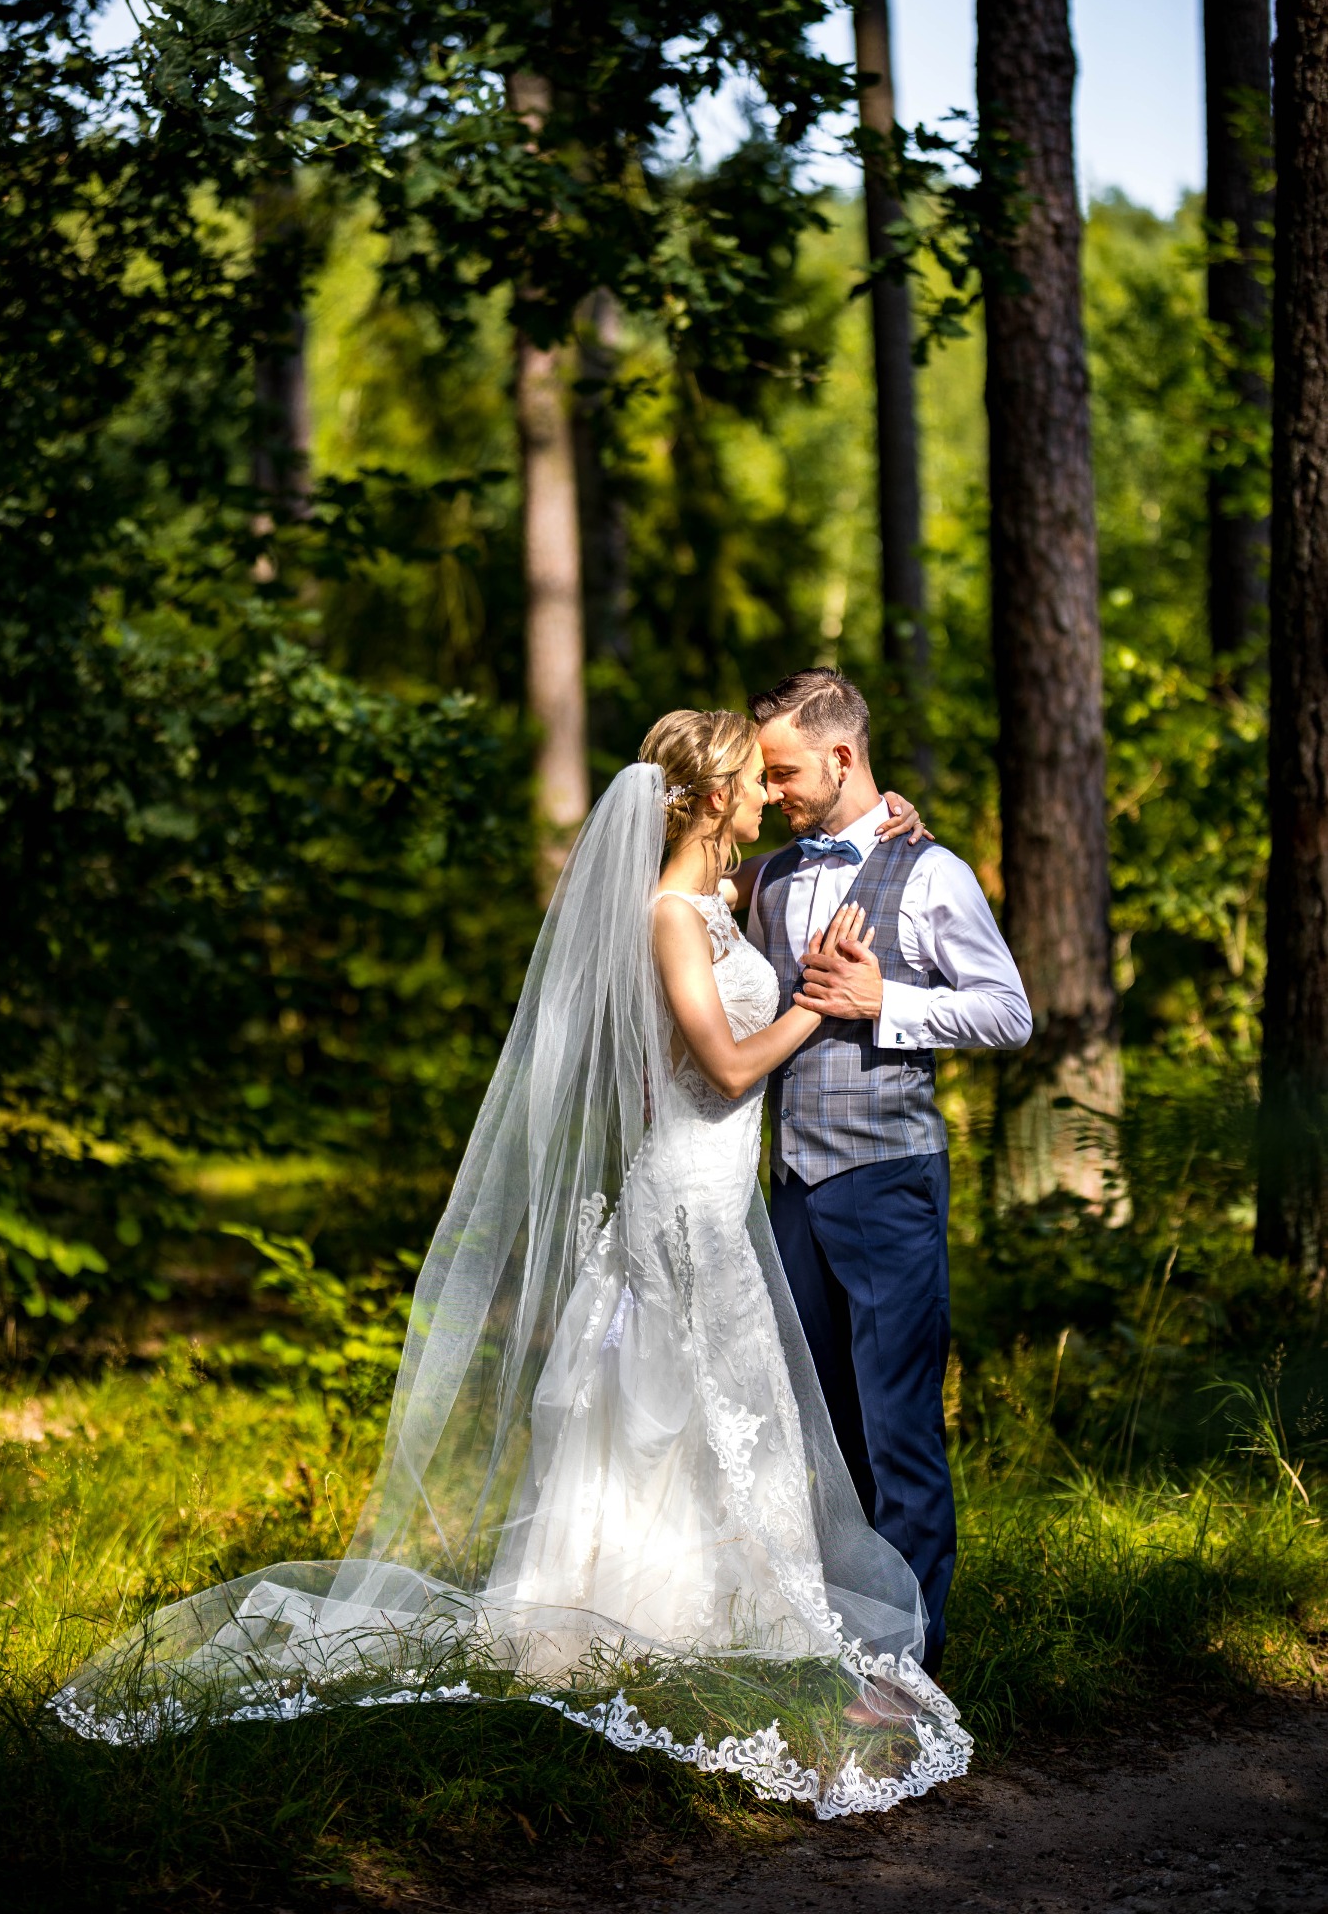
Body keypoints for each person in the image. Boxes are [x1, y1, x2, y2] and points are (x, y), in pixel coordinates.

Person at [53, 708, 971, 1821]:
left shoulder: (725, 899)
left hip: (715, 1191)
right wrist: (820, 1002)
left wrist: (883, 825)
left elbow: (805, 874)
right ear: (703, 798)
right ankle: (651, 1616)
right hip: (685, 1196)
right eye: (750, 779)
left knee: (710, 1407)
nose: (767, 794)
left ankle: (725, 1606)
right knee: (684, 1399)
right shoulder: (669, 915)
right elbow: (728, 1069)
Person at [732, 668, 1031, 1679]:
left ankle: (908, 1668)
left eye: (784, 772)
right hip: (790, 1187)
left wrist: (885, 1003)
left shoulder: (933, 871)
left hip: (888, 1178)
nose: (773, 791)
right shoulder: (771, 878)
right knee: (820, 1428)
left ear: (841, 756)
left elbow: (1007, 1012)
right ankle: (843, 1638)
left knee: (900, 1427)